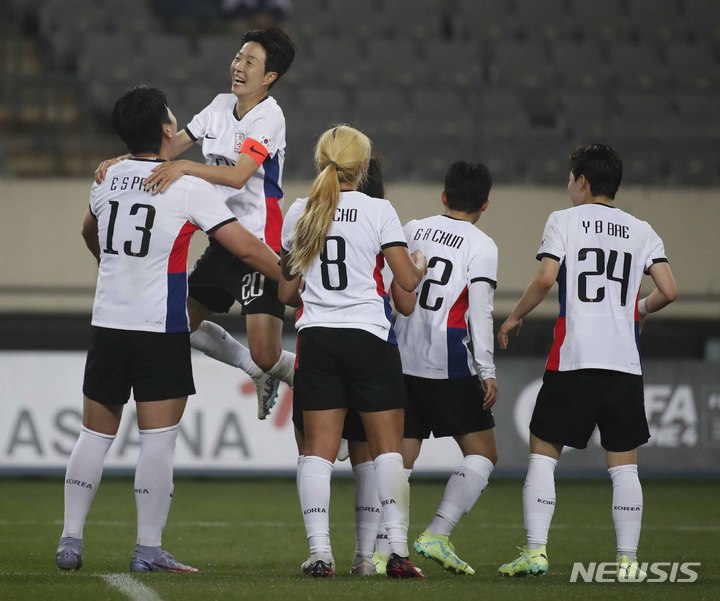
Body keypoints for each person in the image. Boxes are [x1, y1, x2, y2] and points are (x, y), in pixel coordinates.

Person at [56, 86, 284, 573]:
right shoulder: (185, 185)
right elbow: (242, 247)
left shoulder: (107, 177)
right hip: (159, 329)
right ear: (165, 130)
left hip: (109, 323)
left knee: (93, 436)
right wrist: (288, 272)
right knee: (157, 441)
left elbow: (87, 230)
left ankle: (70, 541)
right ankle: (147, 550)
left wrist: (111, 263)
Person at [496, 144, 678, 580]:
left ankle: (536, 553)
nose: (568, 186)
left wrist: (515, 315)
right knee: (624, 465)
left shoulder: (563, 220)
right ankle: (628, 561)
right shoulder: (641, 229)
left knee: (543, 453)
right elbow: (669, 290)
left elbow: (545, 277)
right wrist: (641, 309)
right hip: (623, 364)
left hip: (574, 358)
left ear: (581, 181)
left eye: (569, 178)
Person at [95, 27, 297, 420]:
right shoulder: (220, 106)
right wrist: (127, 158)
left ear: (269, 77)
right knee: (177, 322)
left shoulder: (269, 117)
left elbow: (239, 175)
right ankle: (255, 370)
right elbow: (166, 147)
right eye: (238, 57)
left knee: (268, 353)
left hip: (259, 243)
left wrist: (186, 167)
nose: (237, 66)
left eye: (249, 62)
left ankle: (325, 391)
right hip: (225, 239)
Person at [279, 125, 428, 579]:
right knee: (386, 451)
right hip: (368, 337)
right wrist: (419, 265)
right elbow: (404, 281)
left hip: (318, 339)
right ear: (363, 168)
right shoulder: (379, 210)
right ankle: (396, 553)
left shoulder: (300, 210)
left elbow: (287, 292)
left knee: (318, 455)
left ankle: (321, 554)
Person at [374, 161, 499, 576]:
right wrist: (487, 369)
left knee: (399, 460)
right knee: (483, 454)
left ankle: (380, 551)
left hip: (402, 360)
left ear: (443, 197)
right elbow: (479, 314)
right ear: (485, 203)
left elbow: (393, 287)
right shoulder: (482, 246)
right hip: (449, 366)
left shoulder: (412, 228)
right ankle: (437, 534)